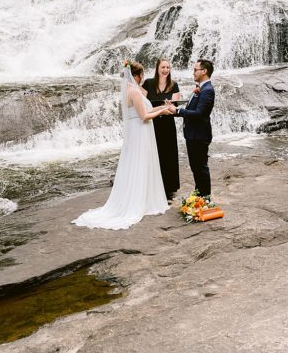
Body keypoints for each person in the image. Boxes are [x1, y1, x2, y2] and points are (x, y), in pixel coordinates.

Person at [73, 61, 175, 230]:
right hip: (141, 131)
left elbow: (144, 111)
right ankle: (139, 203)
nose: (143, 78)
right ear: (138, 75)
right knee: (141, 164)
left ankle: (143, 199)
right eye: (142, 75)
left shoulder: (128, 90)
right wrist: (163, 112)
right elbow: (144, 116)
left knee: (137, 164)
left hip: (138, 131)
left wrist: (160, 107)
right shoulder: (134, 91)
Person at [175, 59, 215, 199]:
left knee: (201, 168)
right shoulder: (201, 88)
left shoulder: (208, 90)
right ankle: (199, 195)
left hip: (199, 135)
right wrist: (175, 110)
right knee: (196, 168)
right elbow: (191, 109)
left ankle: (205, 198)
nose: (193, 72)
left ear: (204, 71)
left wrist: (178, 111)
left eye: (195, 70)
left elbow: (199, 114)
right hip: (192, 135)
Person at [142, 58, 181, 200]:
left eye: (168, 68)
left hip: (168, 124)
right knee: (154, 153)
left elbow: (176, 108)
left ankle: (169, 188)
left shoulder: (174, 85)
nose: (165, 70)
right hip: (152, 123)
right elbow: (141, 103)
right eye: (163, 67)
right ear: (157, 68)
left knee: (169, 155)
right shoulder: (148, 83)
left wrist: (170, 106)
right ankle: (152, 186)